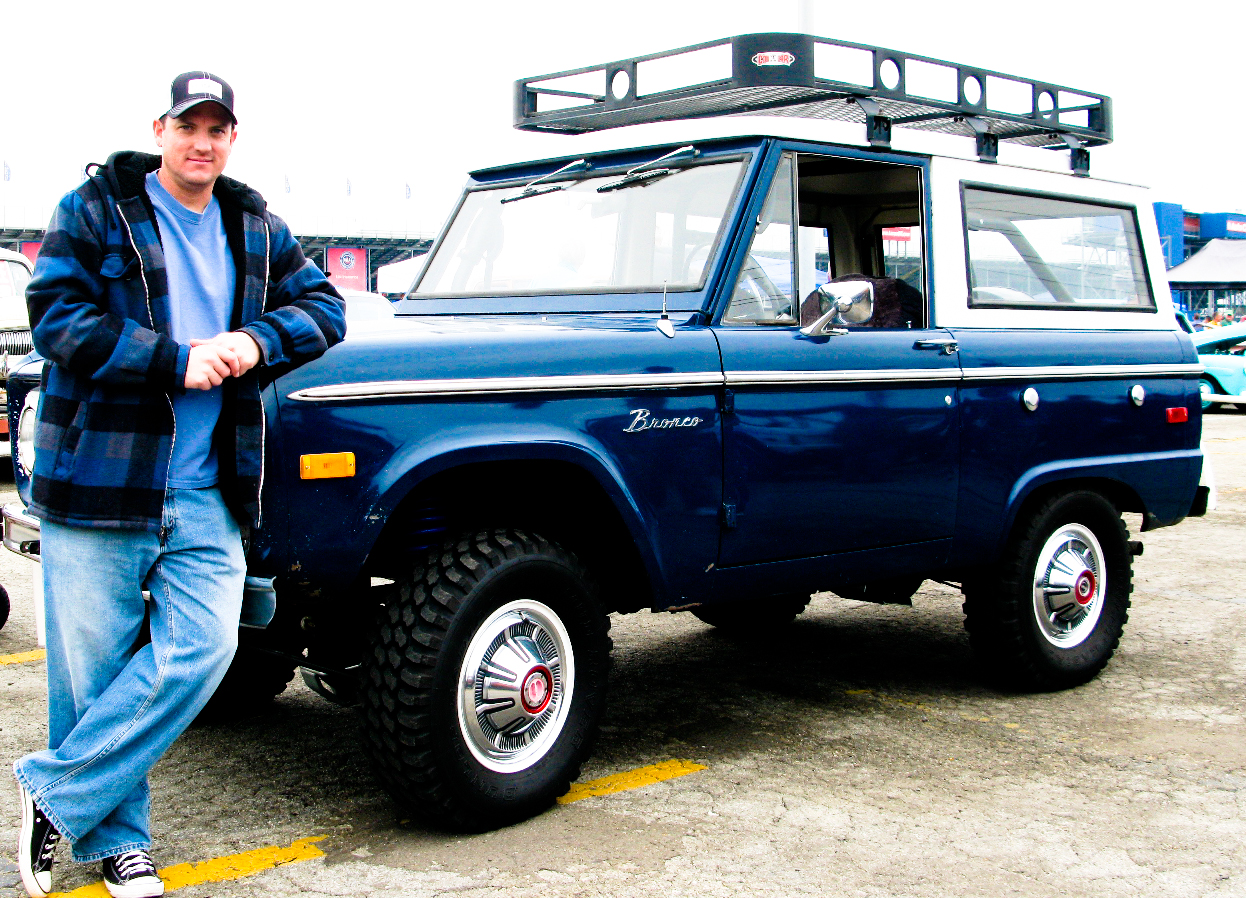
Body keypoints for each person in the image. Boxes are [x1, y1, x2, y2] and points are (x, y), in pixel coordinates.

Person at [14, 72, 346, 898]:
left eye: (218, 127)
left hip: (206, 486)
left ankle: (55, 790)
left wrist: (256, 339)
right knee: (92, 679)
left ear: (234, 137)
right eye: (188, 124)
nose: (202, 140)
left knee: (206, 648)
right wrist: (172, 360)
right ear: (158, 128)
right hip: (103, 482)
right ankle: (120, 842)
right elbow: (56, 317)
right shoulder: (96, 209)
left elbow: (327, 307)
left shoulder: (255, 223)